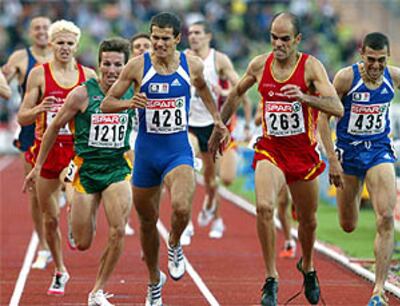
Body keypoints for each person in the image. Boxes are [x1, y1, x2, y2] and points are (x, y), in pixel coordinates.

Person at [209, 12, 344, 306]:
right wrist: (220, 125)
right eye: (274, 37)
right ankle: (271, 278)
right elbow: (235, 94)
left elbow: (336, 108)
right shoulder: (260, 65)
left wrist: (305, 98)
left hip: (304, 154)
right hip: (271, 149)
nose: (278, 44)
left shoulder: (311, 67)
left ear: (297, 40)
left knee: (307, 221)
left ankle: (307, 266)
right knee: (264, 207)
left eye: (285, 39)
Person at [101, 12, 227, 306]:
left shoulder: (191, 65)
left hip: (177, 149)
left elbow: (204, 90)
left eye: (164, 39)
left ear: (177, 39)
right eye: (154, 37)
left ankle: (174, 244)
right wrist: (128, 103)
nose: (157, 43)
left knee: (182, 207)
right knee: (147, 222)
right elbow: (107, 103)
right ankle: (153, 282)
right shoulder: (136, 66)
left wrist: (218, 120)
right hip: (146, 153)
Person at [24, 37, 135, 306]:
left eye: (118, 65)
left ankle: (97, 291)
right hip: (86, 170)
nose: (111, 70)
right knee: (83, 242)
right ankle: (76, 212)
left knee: (118, 230)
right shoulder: (83, 94)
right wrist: (37, 166)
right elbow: (52, 128)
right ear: (99, 65)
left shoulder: (134, 90)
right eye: (106, 64)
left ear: (126, 66)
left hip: (117, 168)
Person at [318, 32, 400, 306]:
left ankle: (378, 290)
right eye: (370, 59)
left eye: (381, 60)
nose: (375, 65)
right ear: (362, 55)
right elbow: (323, 119)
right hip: (348, 156)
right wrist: (332, 159)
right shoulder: (345, 78)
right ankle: (353, 200)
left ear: (388, 57)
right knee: (348, 225)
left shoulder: (393, 76)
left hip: (379, 152)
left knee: (385, 217)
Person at [17, 19, 96, 295]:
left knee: (71, 189)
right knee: (49, 219)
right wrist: (41, 107)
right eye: (60, 43)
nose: (64, 47)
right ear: (51, 45)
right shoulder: (39, 75)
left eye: (69, 43)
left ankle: (75, 216)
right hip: (45, 150)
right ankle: (61, 270)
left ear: (76, 46)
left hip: (75, 151)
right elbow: (21, 116)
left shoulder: (88, 76)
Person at [184, 20, 252, 242]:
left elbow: (240, 87)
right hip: (188, 123)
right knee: (186, 169)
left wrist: (222, 89)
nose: (193, 36)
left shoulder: (218, 59)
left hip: (213, 125)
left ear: (208, 36)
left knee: (214, 180)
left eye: (198, 33)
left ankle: (214, 212)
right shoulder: (182, 57)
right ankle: (185, 223)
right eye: (190, 33)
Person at [2, 16, 53, 269]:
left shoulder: (62, 51)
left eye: (46, 27)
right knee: (34, 191)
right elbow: (4, 79)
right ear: (30, 32)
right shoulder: (21, 58)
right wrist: (6, 88)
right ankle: (43, 246)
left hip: (62, 127)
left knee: (67, 183)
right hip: (31, 128)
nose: (42, 32)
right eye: (37, 28)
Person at [253, 104, 297, 259]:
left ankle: (296, 206)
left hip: (297, 152)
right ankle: (289, 240)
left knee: (292, 202)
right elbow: (257, 121)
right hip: (273, 154)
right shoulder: (266, 98)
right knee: (282, 201)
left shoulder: (299, 93)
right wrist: (271, 110)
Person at [123, 32, 152, 237]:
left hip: (155, 135)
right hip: (129, 133)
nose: (142, 49)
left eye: (145, 45)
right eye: (137, 46)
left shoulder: (162, 72)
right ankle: (123, 218)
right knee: (128, 175)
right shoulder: (124, 73)